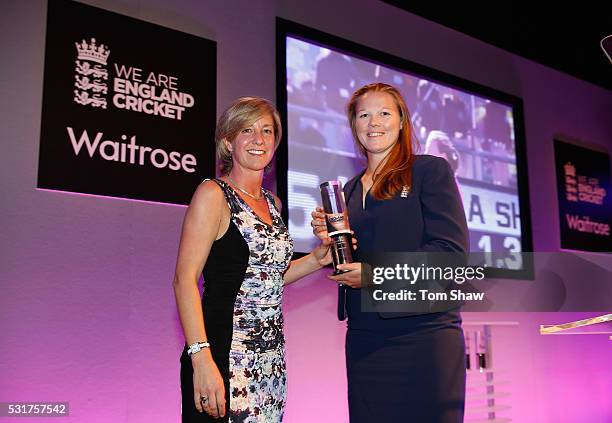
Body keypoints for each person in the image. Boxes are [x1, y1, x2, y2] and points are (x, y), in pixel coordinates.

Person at [311, 83, 469, 422]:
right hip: (365, 338)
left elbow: (450, 255)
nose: (374, 122)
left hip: (425, 335)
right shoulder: (348, 190)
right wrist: (331, 243)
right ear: (353, 125)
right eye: (364, 115)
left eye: (384, 113)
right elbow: (351, 261)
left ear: (401, 122)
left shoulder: (429, 170)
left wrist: (373, 275)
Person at [173, 97, 335, 422]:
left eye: (267, 131)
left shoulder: (273, 203)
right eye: (246, 130)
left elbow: (266, 277)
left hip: (270, 360)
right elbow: (184, 280)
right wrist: (201, 359)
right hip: (221, 354)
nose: (258, 140)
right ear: (228, 141)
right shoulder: (213, 194)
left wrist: (318, 258)